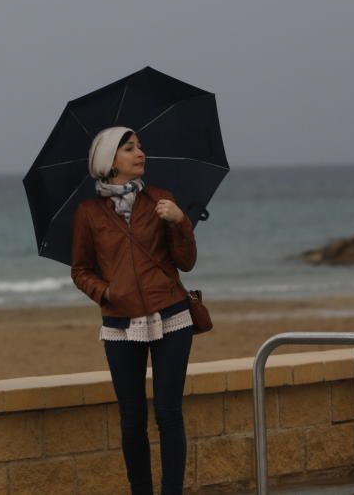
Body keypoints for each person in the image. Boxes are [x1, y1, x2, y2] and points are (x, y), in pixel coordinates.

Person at [71, 126, 197, 495]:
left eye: (140, 147)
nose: (140, 153)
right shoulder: (88, 214)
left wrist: (180, 221)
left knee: (169, 414)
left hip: (172, 316)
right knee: (132, 419)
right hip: (120, 324)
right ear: (109, 162)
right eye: (129, 148)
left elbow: (186, 262)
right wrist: (107, 292)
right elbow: (80, 270)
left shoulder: (161, 200)